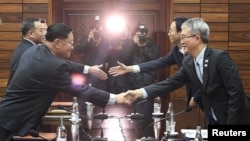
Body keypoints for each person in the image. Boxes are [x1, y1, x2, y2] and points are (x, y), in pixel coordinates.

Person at [0, 23, 133, 141]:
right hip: (13, 122)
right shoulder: (52, 66)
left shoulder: (35, 50)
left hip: (7, 115)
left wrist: (89, 69)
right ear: (58, 43)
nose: (72, 46)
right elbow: (80, 89)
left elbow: (64, 63)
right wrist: (114, 98)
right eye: (70, 42)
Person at [126, 17, 250, 125]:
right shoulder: (189, 63)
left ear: (197, 38)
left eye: (184, 37)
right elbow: (170, 83)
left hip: (237, 119)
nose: (182, 41)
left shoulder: (219, 58)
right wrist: (139, 92)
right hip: (213, 118)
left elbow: (236, 95)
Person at [109, 16, 203, 110]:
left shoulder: (198, 54)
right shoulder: (176, 50)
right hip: (196, 96)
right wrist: (130, 68)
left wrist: (197, 96)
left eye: (171, 30)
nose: (168, 34)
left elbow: (207, 80)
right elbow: (159, 63)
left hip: (206, 96)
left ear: (181, 32)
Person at [7, 18, 108, 87]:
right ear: (31, 33)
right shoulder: (27, 50)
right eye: (41, 30)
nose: (45, 33)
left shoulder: (33, 48)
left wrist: (88, 69)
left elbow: (60, 63)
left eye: (46, 30)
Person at [77, 16, 109, 91]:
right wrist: (88, 40)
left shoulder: (105, 41)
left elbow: (103, 55)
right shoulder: (87, 39)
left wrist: (98, 43)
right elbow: (79, 50)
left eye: (99, 31)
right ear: (91, 30)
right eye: (95, 30)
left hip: (100, 73)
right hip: (88, 72)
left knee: (100, 96)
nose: (97, 32)